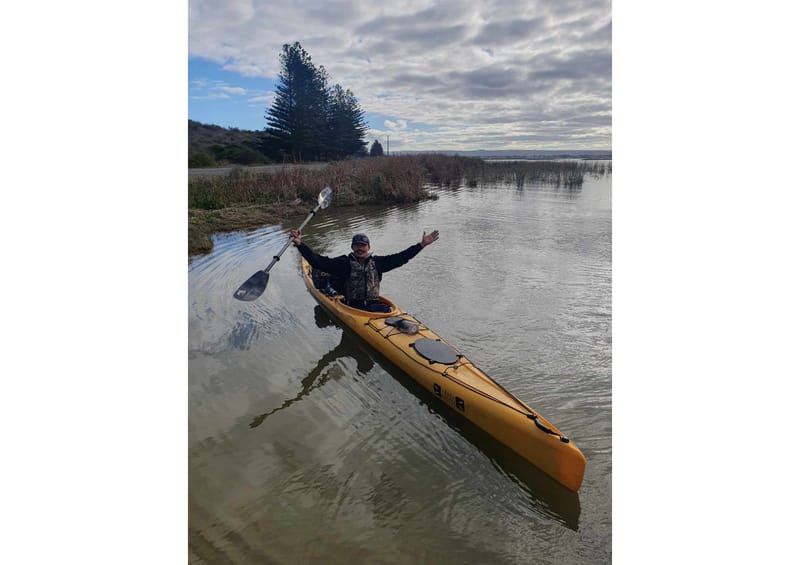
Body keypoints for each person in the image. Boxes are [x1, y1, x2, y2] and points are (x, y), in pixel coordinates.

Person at [290, 229, 440, 312]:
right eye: (357, 245)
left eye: (363, 245)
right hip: (353, 307)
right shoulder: (344, 263)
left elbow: (401, 258)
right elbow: (318, 261)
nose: (360, 248)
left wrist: (421, 245)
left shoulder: (378, 262)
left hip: (375, 306)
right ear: (352, 247)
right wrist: (300, 244)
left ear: (368, 247)